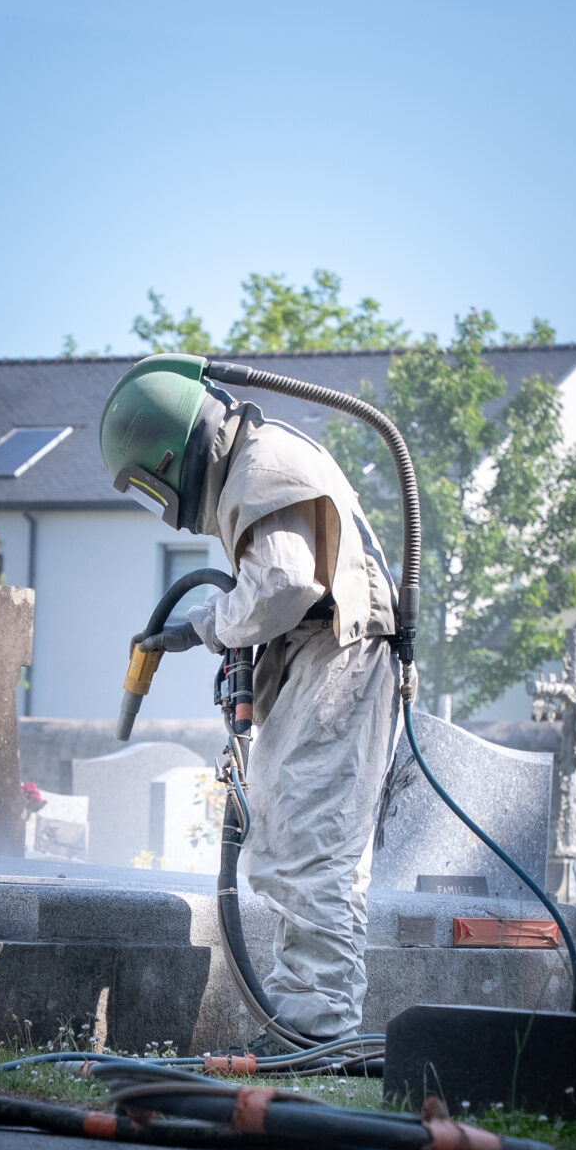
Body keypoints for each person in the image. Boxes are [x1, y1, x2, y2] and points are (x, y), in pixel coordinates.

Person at [99, 354, 400, 1043]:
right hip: (329, 651)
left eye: (154, 488)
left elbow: (287, 584)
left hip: (342, 656)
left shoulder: (261, 463)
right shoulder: (256, 458)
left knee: (304, 837)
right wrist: (217, 631)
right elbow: (281, 587)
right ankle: (319, 1025)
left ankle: (314, 1028)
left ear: (172, 459)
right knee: (309, 837)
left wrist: (209, 623)